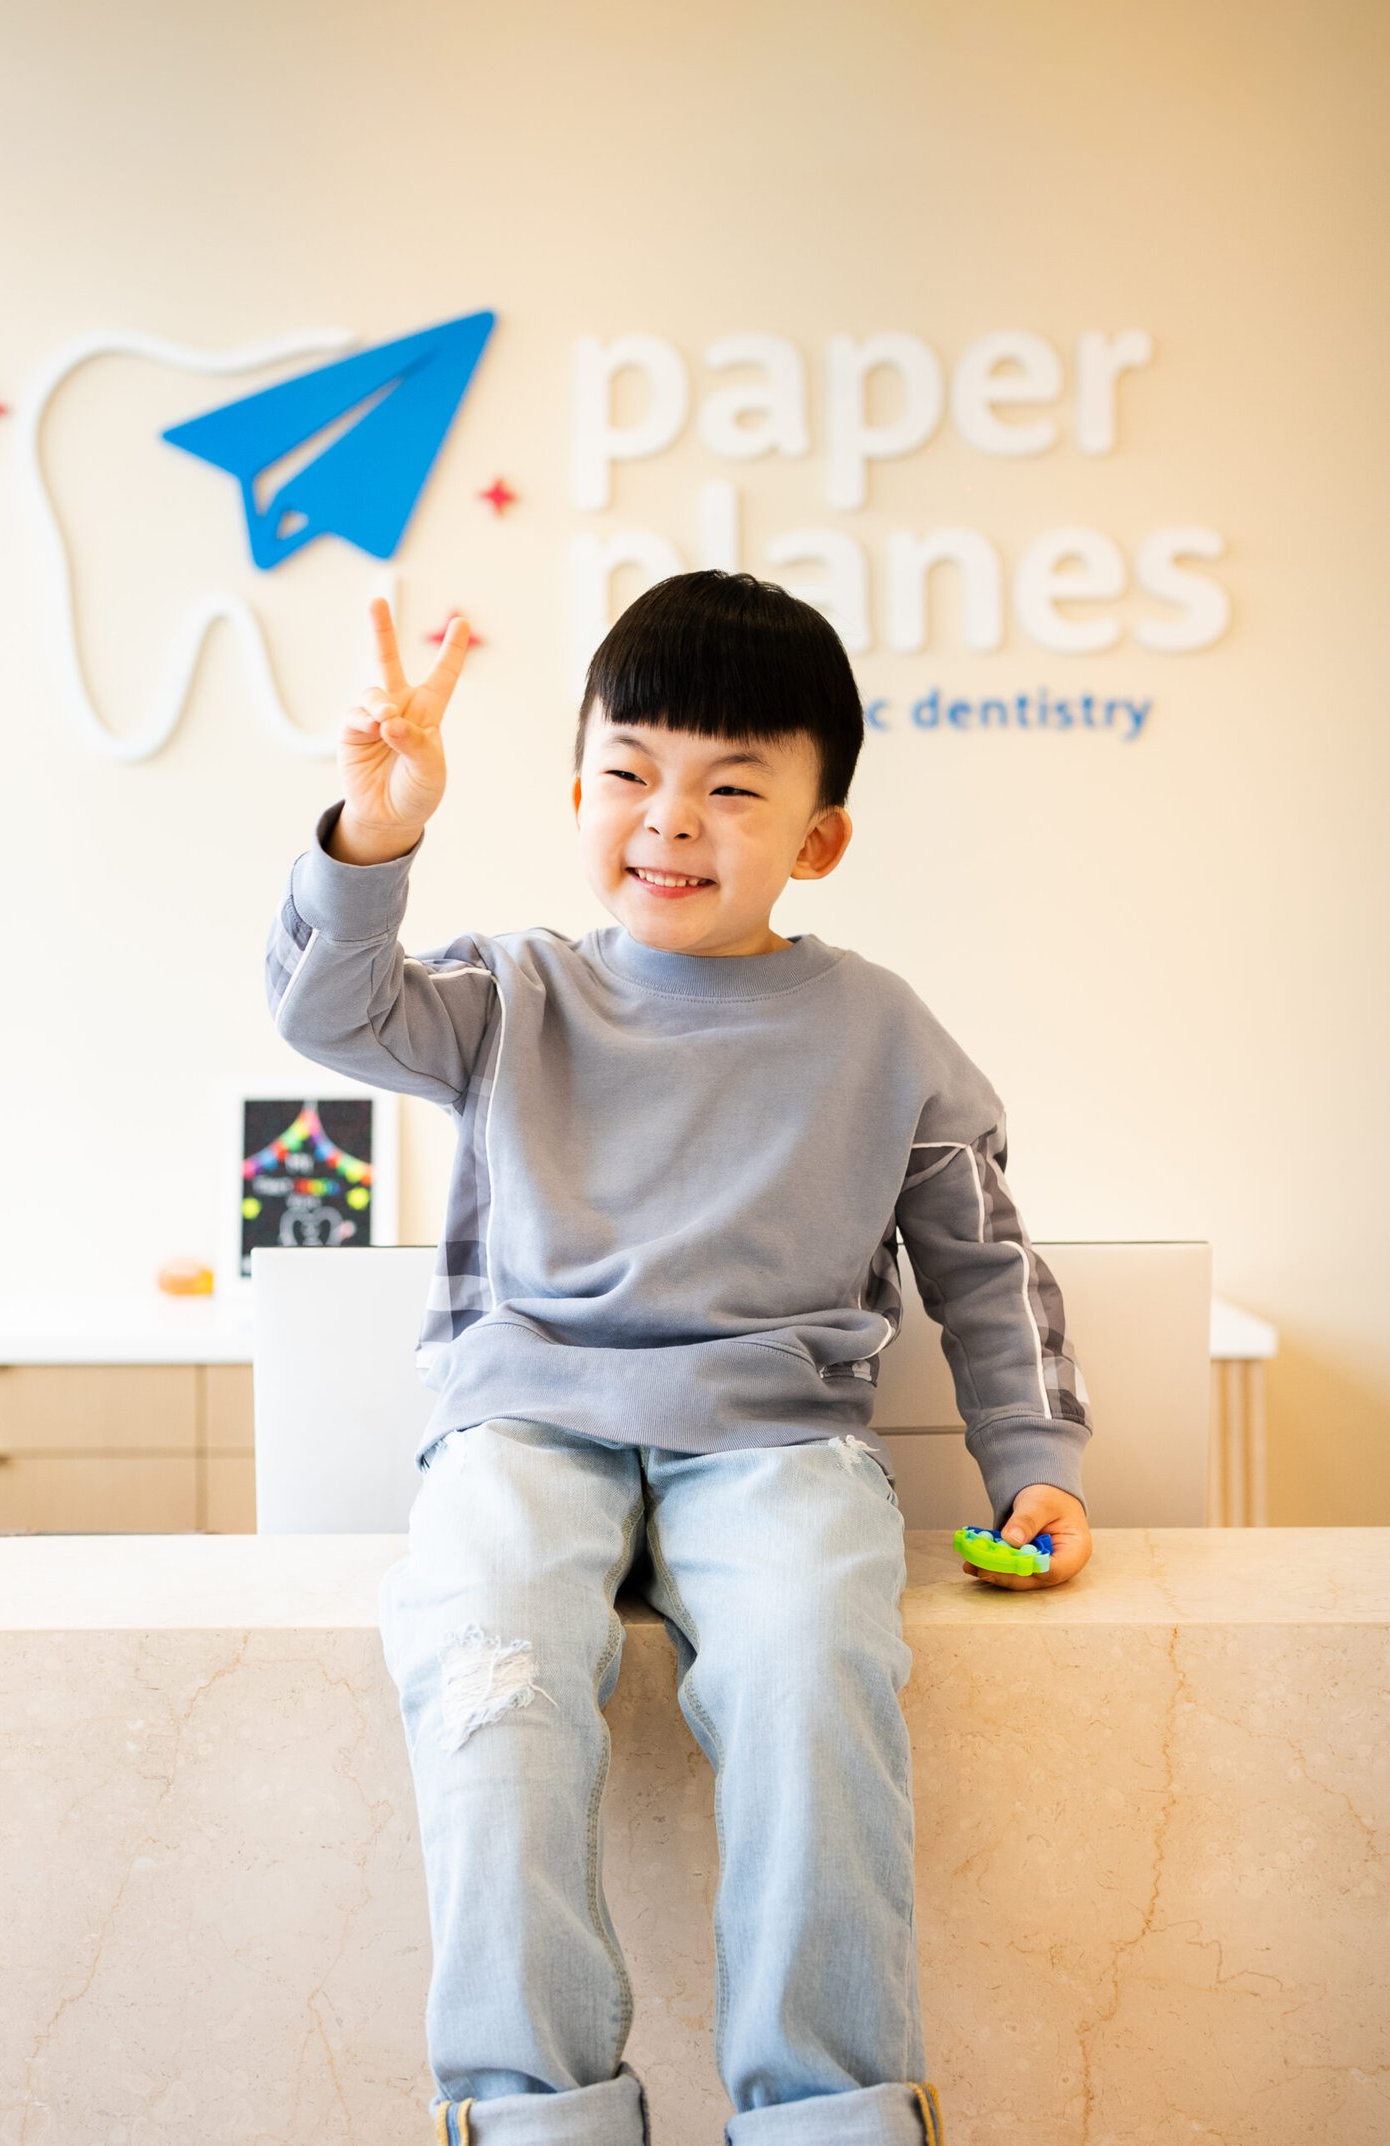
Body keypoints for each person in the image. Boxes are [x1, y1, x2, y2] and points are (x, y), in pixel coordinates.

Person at [264, 570, 1095, 2146]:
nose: (670, 819)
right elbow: (329, 1009)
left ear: (818, 834)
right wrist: (375, 831)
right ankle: (534, 2114)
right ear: (577, 790)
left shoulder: (884, 1026)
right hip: (524, 1427)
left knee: (810, 1678)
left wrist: (1035, 1463)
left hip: (777, 1443)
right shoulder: (515, 992)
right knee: (495, 1686)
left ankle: (831, 2114)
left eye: (731, 787)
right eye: (630, 772)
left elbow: (986, 1262)